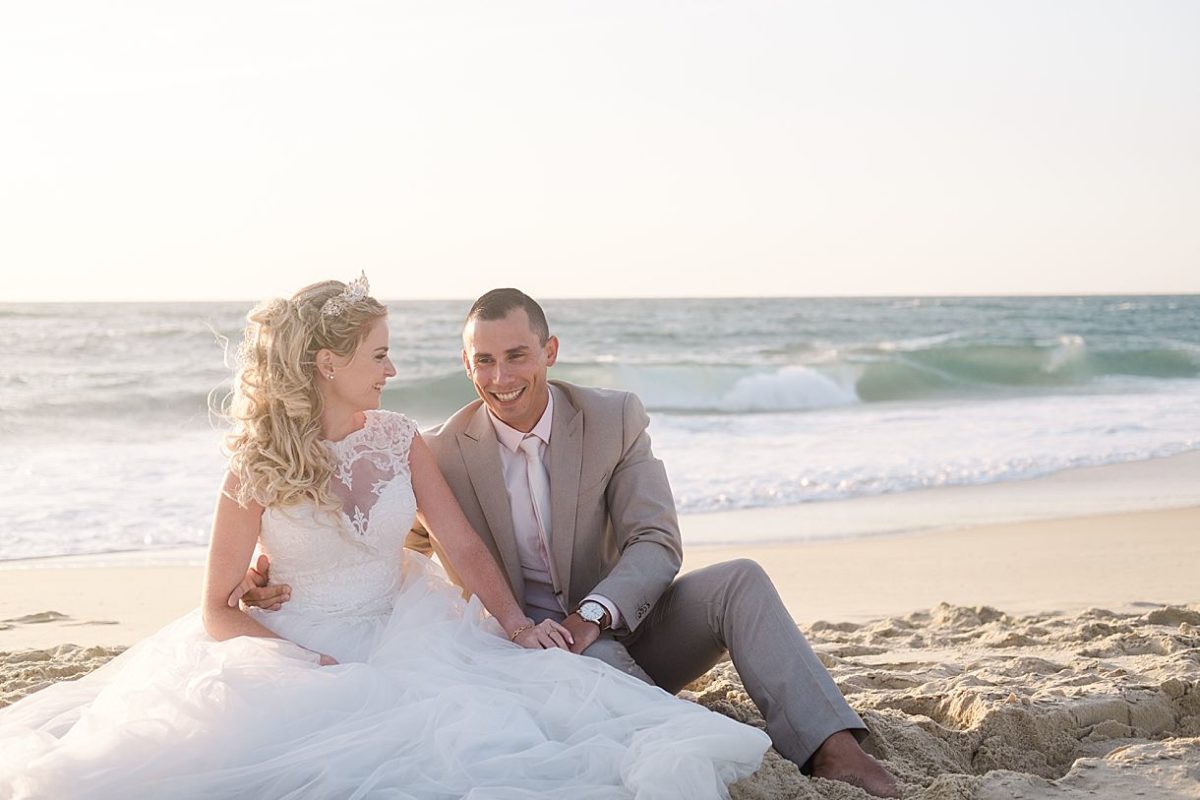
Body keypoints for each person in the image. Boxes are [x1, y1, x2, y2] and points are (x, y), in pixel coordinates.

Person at [0, 276, 770, 799]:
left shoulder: (400, 437)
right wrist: (305, 664)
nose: (393, 368)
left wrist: (515, 624)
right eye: (378, 355)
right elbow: (216, 609)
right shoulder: (256, 465)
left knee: (527, 720)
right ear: (329, 363)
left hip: (411, 625)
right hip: (300, 645)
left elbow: (461, 545)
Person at [244, 288, 901, 798]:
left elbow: (655, 541)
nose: (500, 376)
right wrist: (275, 563)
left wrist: (594, 616)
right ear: (466, 364)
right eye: (484, 360)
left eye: (517, 356)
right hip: (540, 657)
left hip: (629, 618)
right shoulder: (440, 451)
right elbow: (391, 540)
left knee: (741, 580)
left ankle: (833, 747)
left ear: (549, 352)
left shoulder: (614, 418)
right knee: (645, 723)